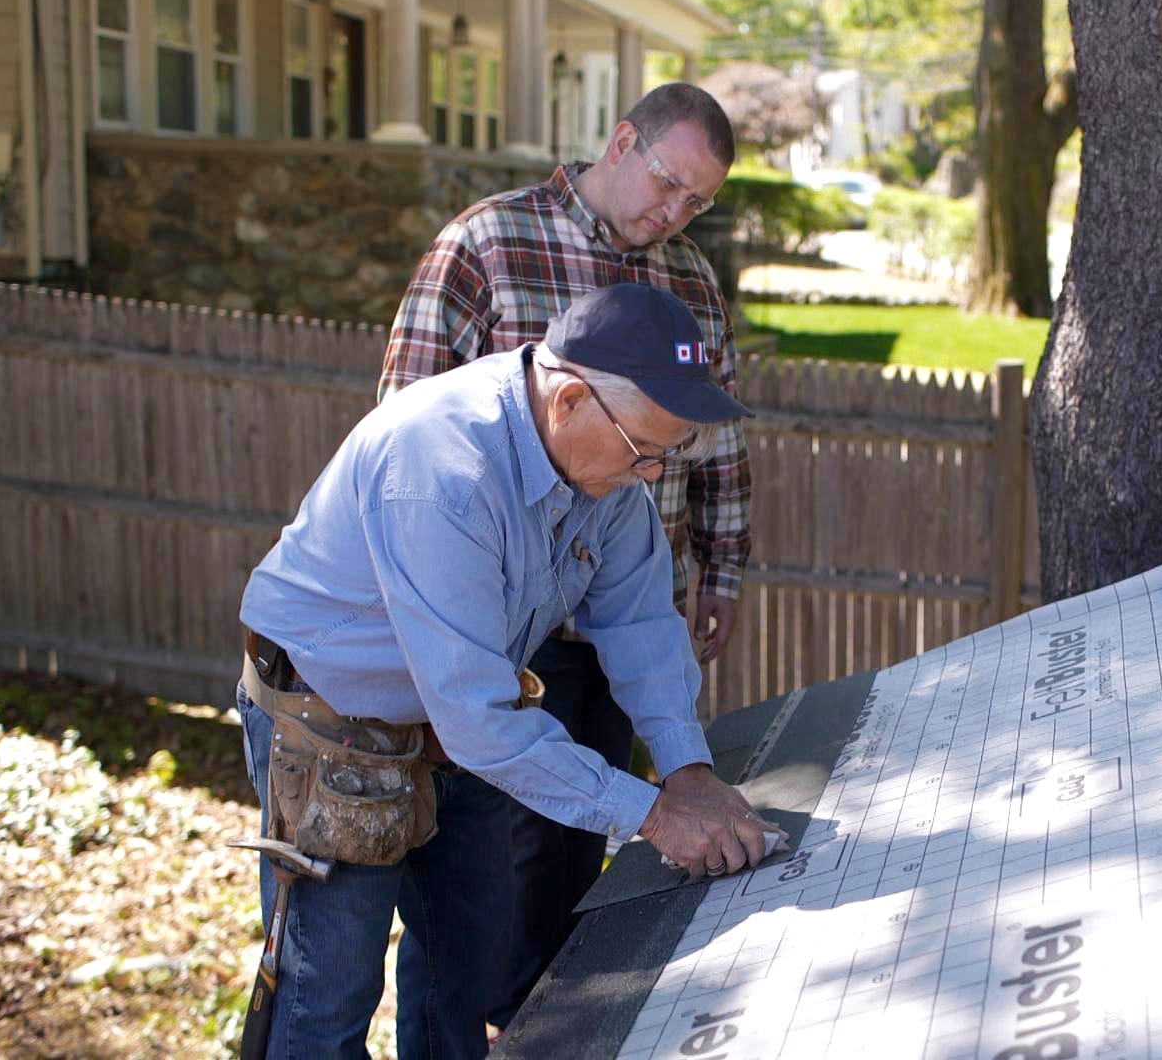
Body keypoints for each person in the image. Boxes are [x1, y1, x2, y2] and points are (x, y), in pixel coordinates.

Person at [238, 283, 783, 1057]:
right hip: (330, 719)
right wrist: (657, 816)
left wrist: (686, 766)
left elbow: (639, 620)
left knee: (467, 968)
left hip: (454, 720)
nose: (655, 474)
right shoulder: (441, 470)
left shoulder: (611, 462)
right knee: (327, 998)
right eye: (644, 451)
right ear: (566, 401)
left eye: (671, 452)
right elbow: (481, 722)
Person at [380, 82, 749, 1020]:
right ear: (622, 141)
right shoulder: (489, 245)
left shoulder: (692, 282)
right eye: (668, 183)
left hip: (624, 611)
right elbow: (406, 426)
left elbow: (726, 440)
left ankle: (538, 1035)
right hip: (495, 620)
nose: (674, 212)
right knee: (468, 883)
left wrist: (724, 562)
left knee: (569, 871)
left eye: (696, 202)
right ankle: (462, 1034)